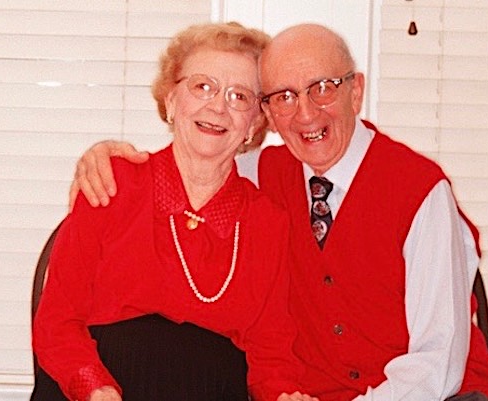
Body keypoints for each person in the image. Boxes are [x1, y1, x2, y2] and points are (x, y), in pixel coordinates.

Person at [67, 23, 488, 401]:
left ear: (356, 91)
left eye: (322, 88)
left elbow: (438, 361)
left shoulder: (421, 191)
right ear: (267, 116)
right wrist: (102, 160)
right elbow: (197, 158)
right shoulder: (262, 174)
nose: (305, 113)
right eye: (284, 97)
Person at [31, 22, 320, 401]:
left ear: (254, 124)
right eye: (202, 86)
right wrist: (94, 388)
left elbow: (272, 353)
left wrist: (284, 396)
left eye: (239, 96)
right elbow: (56, 322)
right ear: (170, 100)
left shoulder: (266, 221)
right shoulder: (112, 183)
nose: (218, 106)